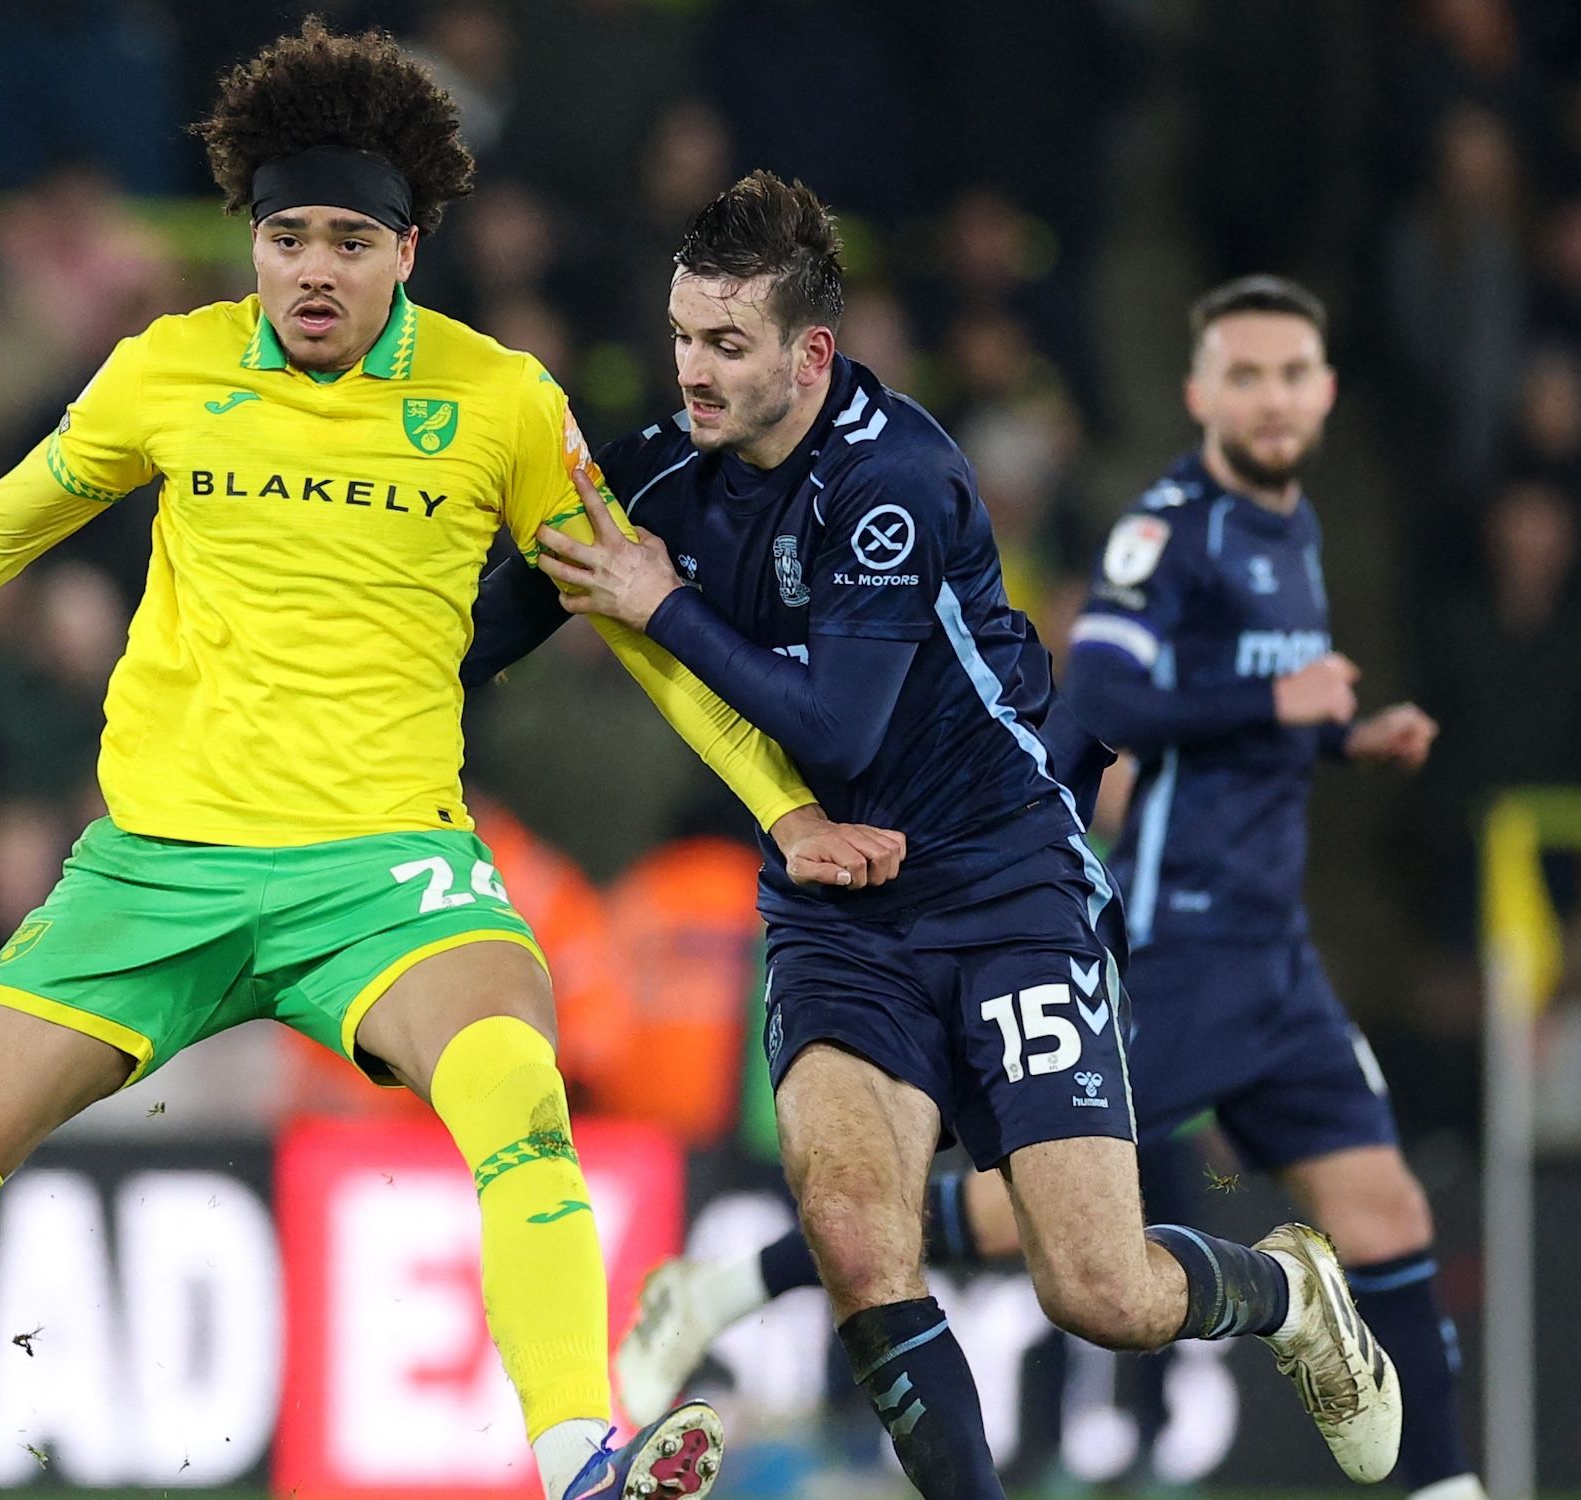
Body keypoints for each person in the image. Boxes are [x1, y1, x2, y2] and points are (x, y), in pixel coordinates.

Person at [0, 24, 899, 1499]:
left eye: (349, 239)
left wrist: (786, 808)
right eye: (286, 235)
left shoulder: (501, 405)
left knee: (518, 1100)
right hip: (150, 877)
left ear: (409, 250)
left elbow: (649, 626)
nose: (311, 270)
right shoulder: (168, 371)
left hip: (382, 877)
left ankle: (579, 1462)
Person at [472, 175, 1400, 1498]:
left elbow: (839, 731)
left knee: (1098, 1285)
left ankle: (1289, 1297)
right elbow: (495, 625)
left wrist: (660, 601)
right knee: (858, 1243)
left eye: (726, 345)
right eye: (682, 335)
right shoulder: (665, 469)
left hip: (1004, 881)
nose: (694, 372)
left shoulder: (895, 478)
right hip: (837, 902)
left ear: (812, 353)